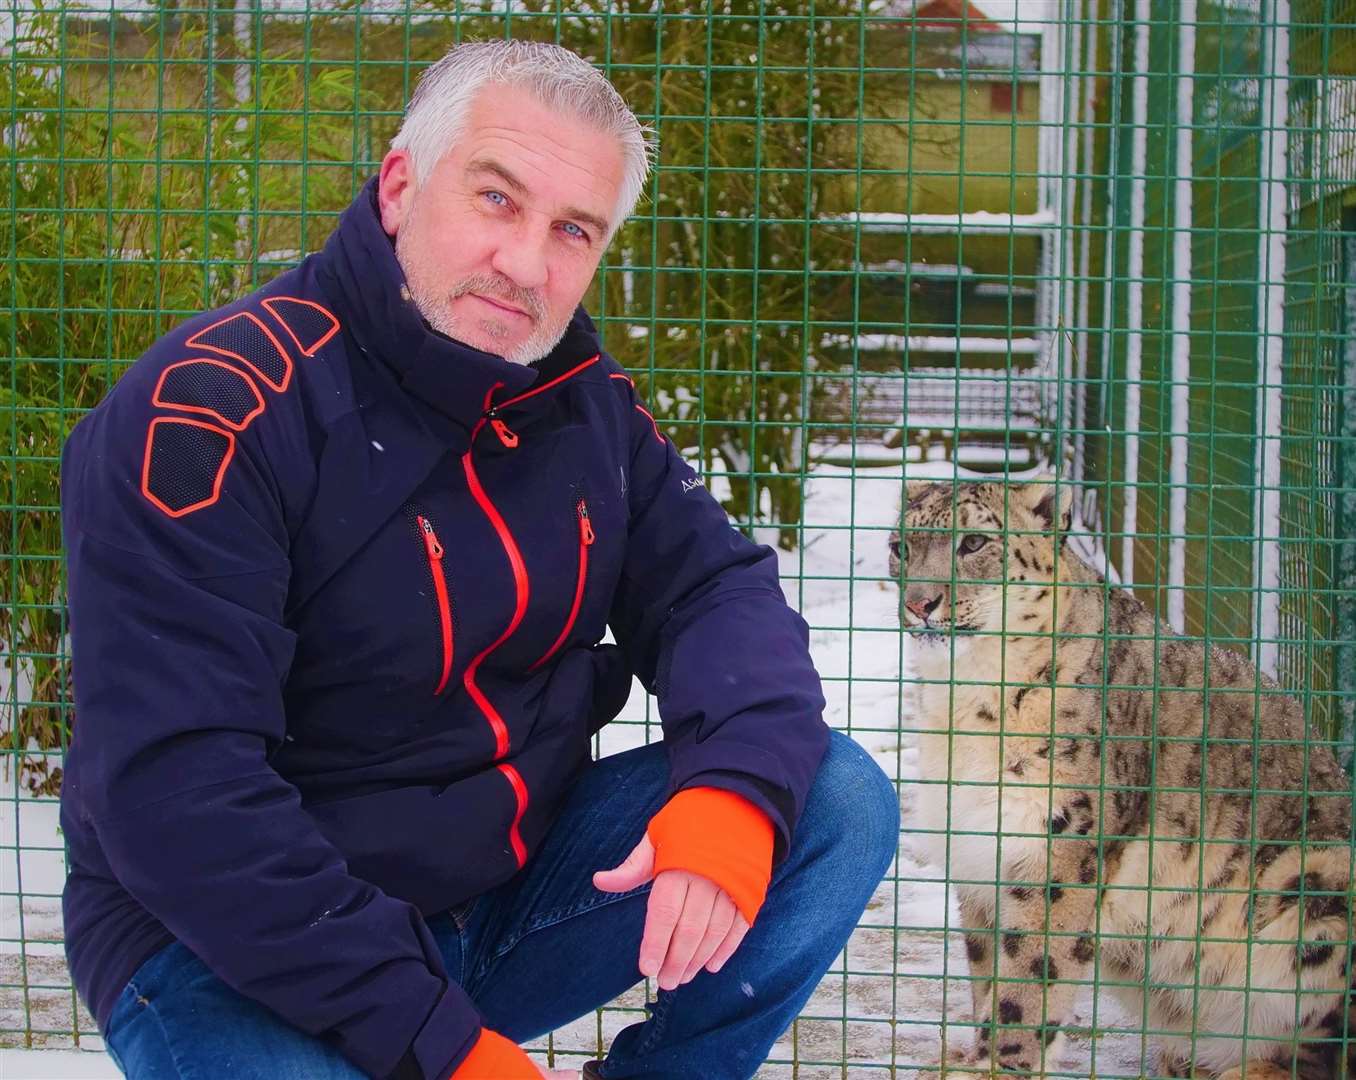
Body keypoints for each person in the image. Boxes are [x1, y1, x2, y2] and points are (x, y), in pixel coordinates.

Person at [59, 39, 900, 1080]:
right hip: (226, 945)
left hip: (499, 898)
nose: (528, 265)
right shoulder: (210, 417)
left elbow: (711, 587)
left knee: (826, 799)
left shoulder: (576, 399)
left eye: (573, 230)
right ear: (403, 185)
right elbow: (179, 799)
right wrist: (448, 1053)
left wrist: (730, 799)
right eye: (497, 199)